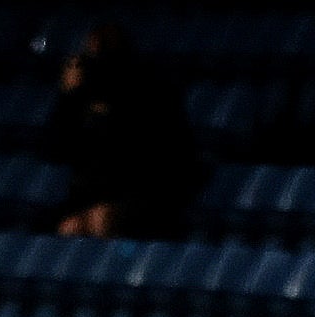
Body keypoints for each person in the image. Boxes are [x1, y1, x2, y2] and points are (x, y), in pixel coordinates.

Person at [47, 24, 203, 239]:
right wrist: (69, 97)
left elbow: (155, 156)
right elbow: (56, 149)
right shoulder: (82, 97)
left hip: (145, 189)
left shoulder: (148, 92)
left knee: (102, 219)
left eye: (100, 51)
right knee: (70, 227)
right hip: (96, 193)